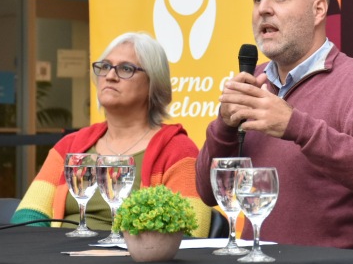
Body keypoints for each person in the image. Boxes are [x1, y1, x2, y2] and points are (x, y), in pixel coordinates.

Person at [195, 0, 353, 250]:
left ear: (318, 10)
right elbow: (207, 193)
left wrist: (297, 126)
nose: (263, 8)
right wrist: (224, 127)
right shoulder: (253, 83)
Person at [12, 32, 210, 237]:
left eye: (126, 68)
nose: (110, 76)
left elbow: (190, 234)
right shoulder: (70, 146)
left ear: (154, 83)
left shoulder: (178, 151)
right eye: (105, 66)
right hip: (58, 260)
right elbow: (27, 217)